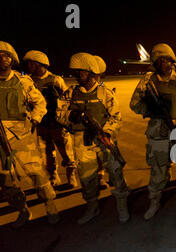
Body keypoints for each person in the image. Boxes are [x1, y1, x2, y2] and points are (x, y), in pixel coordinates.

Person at [130, 43, 176, 219]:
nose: (163, 63)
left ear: (172, 61)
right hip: (157, 133)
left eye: (166, 60)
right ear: (154, 63)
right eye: (159, 60)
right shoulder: (147, 82)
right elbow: (134, 104)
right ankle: (154, 201)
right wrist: (148, 109)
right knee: (158, 170)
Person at [57, 52, 131, 224]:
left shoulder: (105, 93)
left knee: (116, 173)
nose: (78, 75)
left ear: (91, 72)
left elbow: (116, 117)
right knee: (86, 178)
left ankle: (122, 205)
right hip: (81, 141)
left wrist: (106, 132)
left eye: (81, 71)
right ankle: (92, 206)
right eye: (76, 71)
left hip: (104, 140)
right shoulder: (70, 93)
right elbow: (58, 114)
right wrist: (71, 116)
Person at [0, 41, 59, 227]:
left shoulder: (23, 81)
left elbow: (40, 103)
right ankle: (22, 210)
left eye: (7, 56)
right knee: (6, 181)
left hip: (22, 137)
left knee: (38, 174)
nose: (3, 59)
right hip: (1, 142)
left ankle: (51, 206)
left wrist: (34, 119)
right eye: (0, 56)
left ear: (12, 60)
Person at [23, 50, 78, 188]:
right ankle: (53, 174)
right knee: (47, 151)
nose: (29, 66)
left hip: (57, 122)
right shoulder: (28, 81)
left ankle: (71, 175)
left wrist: (66, 118)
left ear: (39, 64)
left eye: (31, 63)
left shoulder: (55, 80)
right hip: (41, 123)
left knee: (66, 150)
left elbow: (67, 100)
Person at [93, 55, 109, 189]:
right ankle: (100, 177)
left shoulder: (105, 91)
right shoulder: (77, 91)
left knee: (106, 155)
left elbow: (114, 113)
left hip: (104, 129)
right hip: (88, 130)